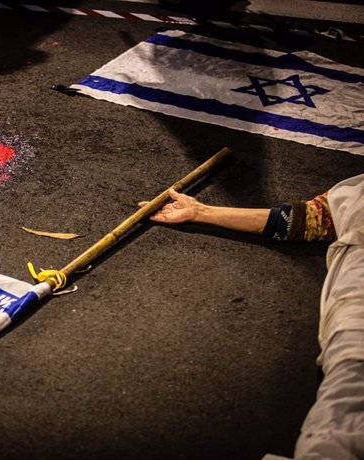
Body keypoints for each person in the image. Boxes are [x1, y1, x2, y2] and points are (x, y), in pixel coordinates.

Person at [139, 174, 364, 460]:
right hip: (353, 324)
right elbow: (302, 220)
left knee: (335, 435)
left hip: (357, 329)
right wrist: (200, 211)